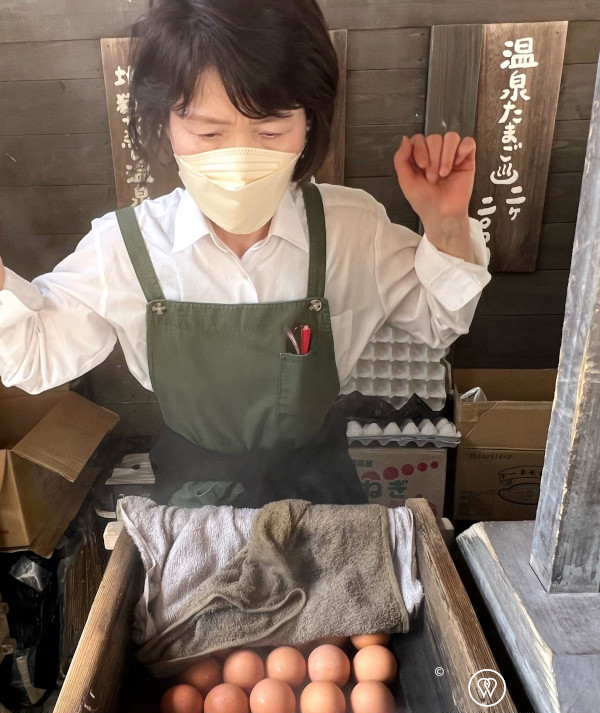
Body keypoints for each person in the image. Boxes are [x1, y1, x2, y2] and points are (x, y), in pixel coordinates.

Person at [0, 0, 490, 509]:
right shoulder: (124, 247)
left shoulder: (351, 228)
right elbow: (35, 356)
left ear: (308, 125)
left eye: (270, 131)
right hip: (191, 499)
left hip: (322, 492)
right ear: (165, 125)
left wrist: (446, 222)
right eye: (208, 133)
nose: (238, 158)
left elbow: (439, 321)